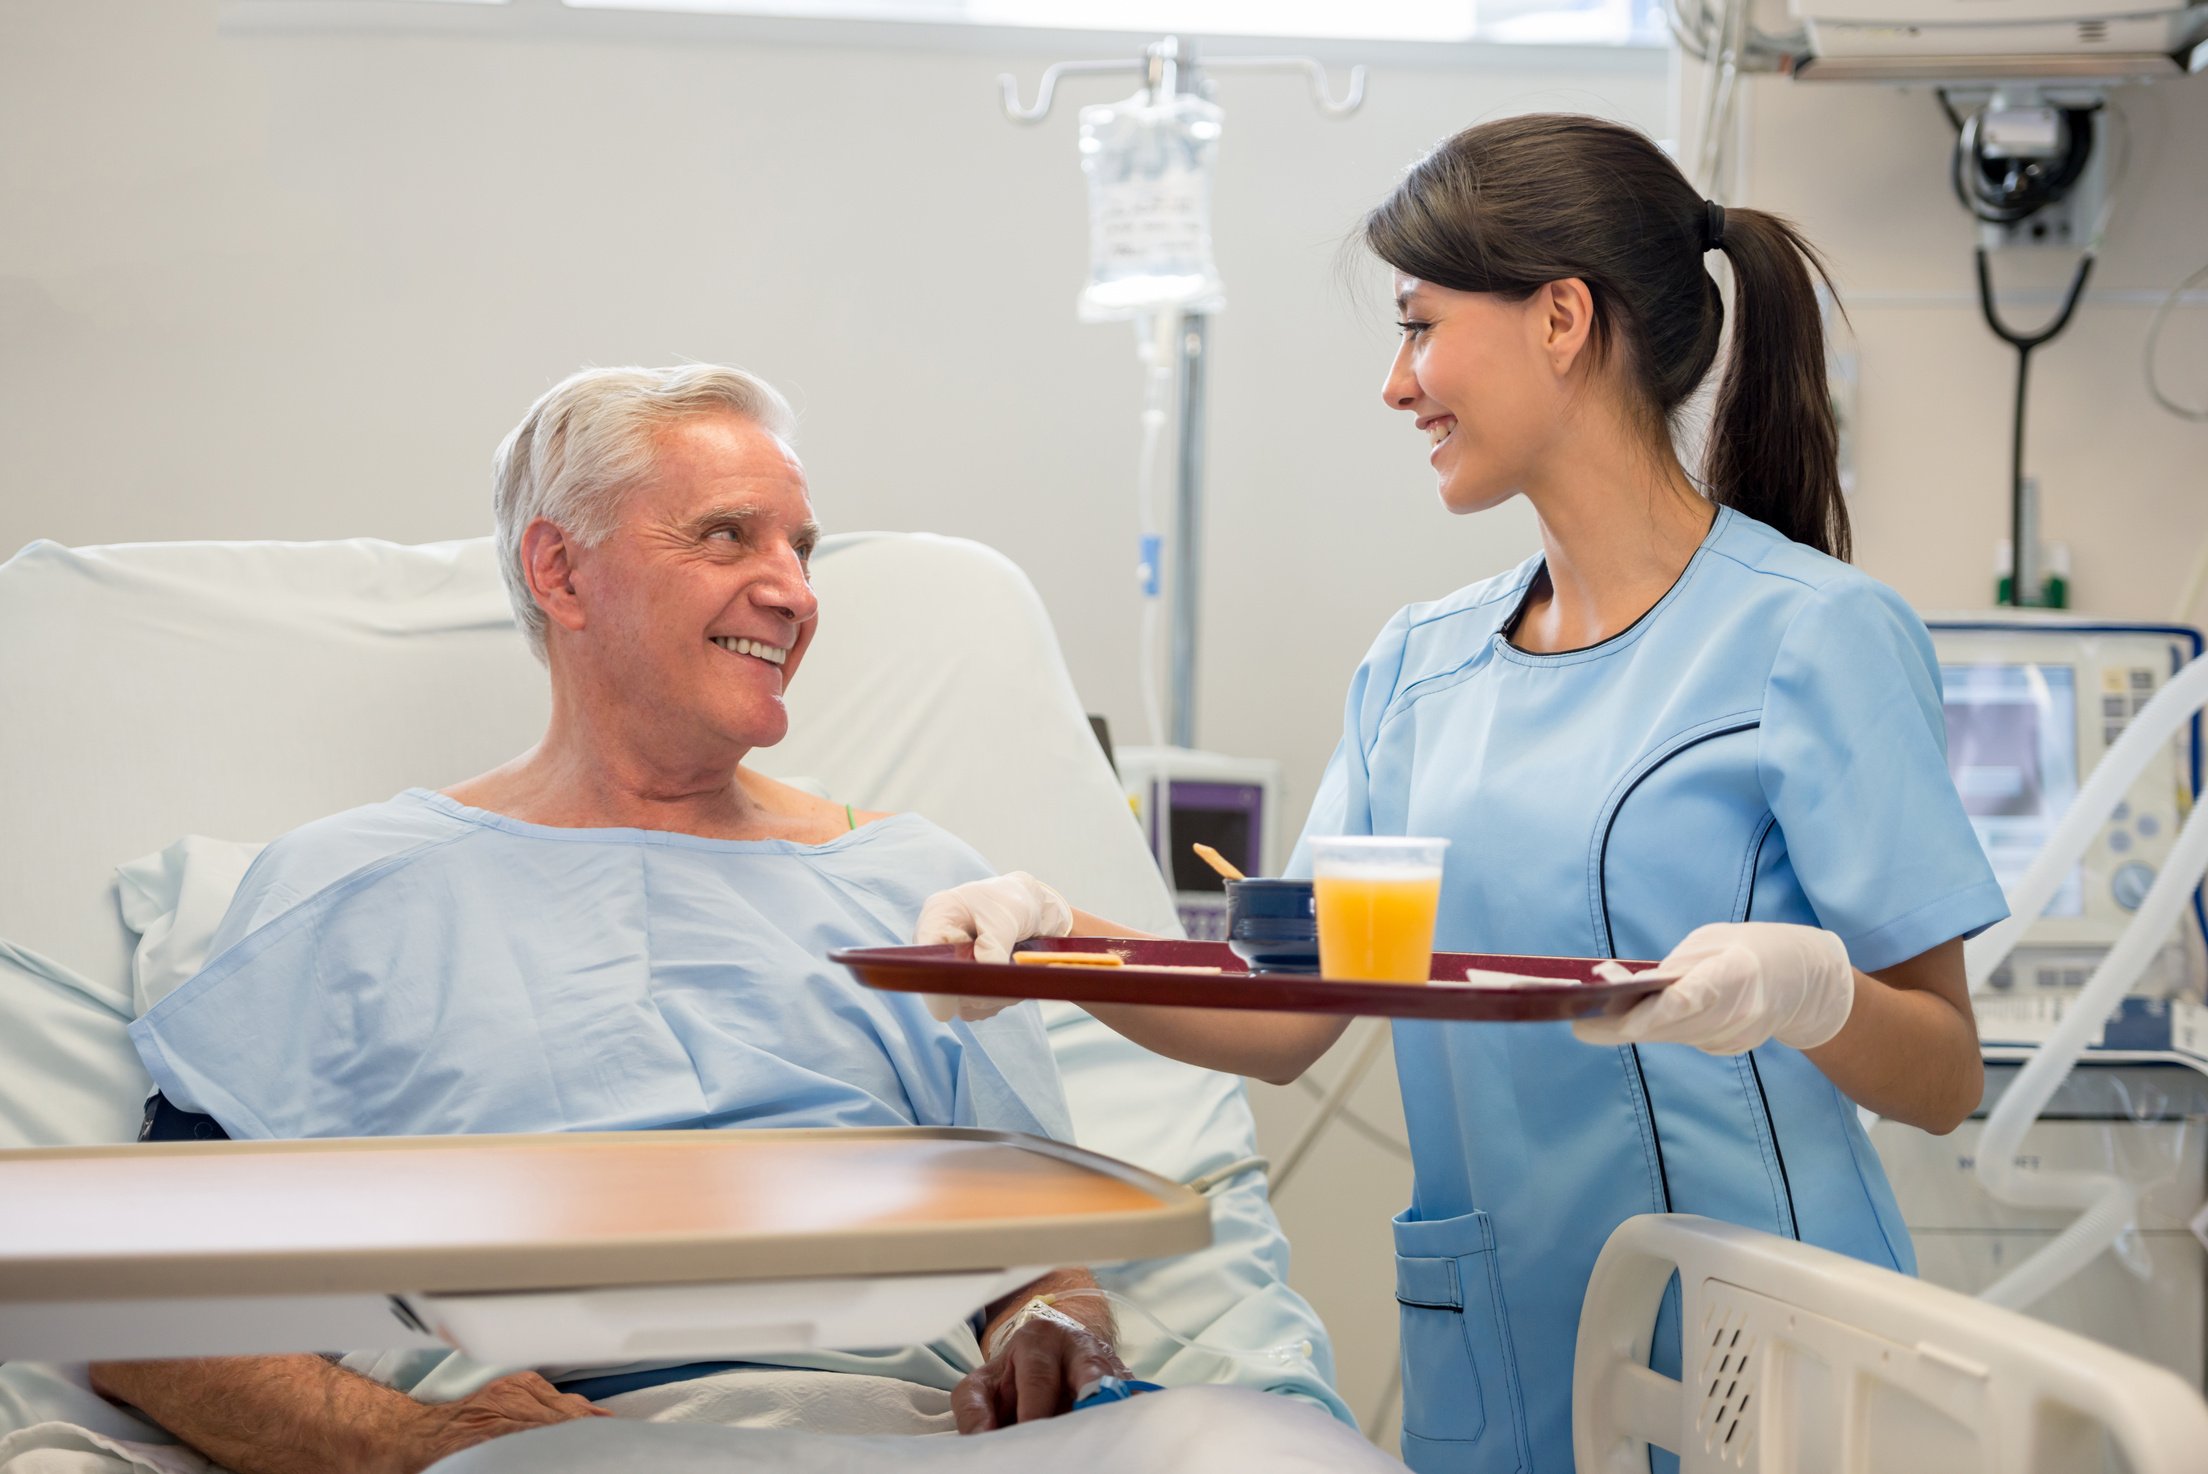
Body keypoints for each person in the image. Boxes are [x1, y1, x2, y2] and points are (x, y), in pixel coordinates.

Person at [916, 115, 2007, 1474]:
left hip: (1766, 1353)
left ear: (1562, 318)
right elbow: (1277, 1016)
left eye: (1421, 326)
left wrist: (1816, 996)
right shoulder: (1415, 669)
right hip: (1502, 1354)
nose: (1396, 382)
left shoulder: (1811, 635)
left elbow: (1948, 1073)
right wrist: (1048, 938)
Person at [95, 365, 1130, 1474]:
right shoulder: (347, 890)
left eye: (802, 548)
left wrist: (1056, 1329)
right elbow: (143, 1305)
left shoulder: (920, 888)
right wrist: (408, 1441)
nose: (794, 592)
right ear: (560, 570)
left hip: (905, 1440)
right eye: (729, 537)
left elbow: (1037, 1267)